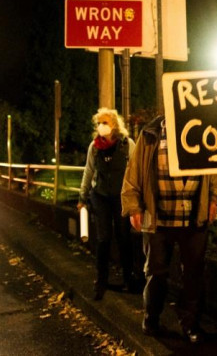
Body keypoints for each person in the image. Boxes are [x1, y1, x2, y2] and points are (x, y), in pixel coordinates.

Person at [121, 115, 217, 343]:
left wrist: (214, 199)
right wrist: (133, 207)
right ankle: (151, 319)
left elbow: (214, 168)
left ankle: (191, 325)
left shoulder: (204, 129)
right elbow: (133, 173)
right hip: (158, 217)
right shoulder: (150, 134)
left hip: (194, 216)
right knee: (156, 273)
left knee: (194, 274)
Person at [78, 108, 137, 300]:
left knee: (123, 237)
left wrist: (137, 199)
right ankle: (100, 280)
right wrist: (82, 197)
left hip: (121, 197)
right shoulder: (94, 147)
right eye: (99, 123)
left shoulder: (127, 145)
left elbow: (136, 172)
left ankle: (128, 278)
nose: (101, 126)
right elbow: (89, 171)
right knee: (103, 238)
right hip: (101, 196)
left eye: (105, 122)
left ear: (114, 125)